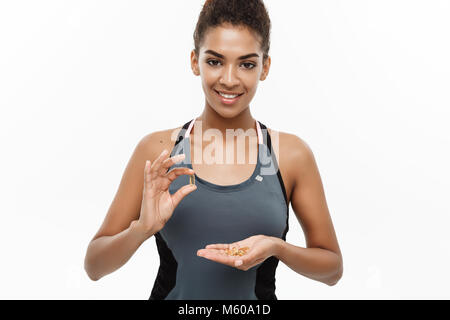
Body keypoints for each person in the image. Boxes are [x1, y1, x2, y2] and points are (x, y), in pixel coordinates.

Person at [84, 0, 343, 300]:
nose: (229, 79)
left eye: (246, 64)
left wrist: (277, 247)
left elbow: (332, 269)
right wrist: (141, 229)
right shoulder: (157, 151)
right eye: (215, 61)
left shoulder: (291, 156)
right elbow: (95, 265)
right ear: (195, 62)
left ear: (265, 67)